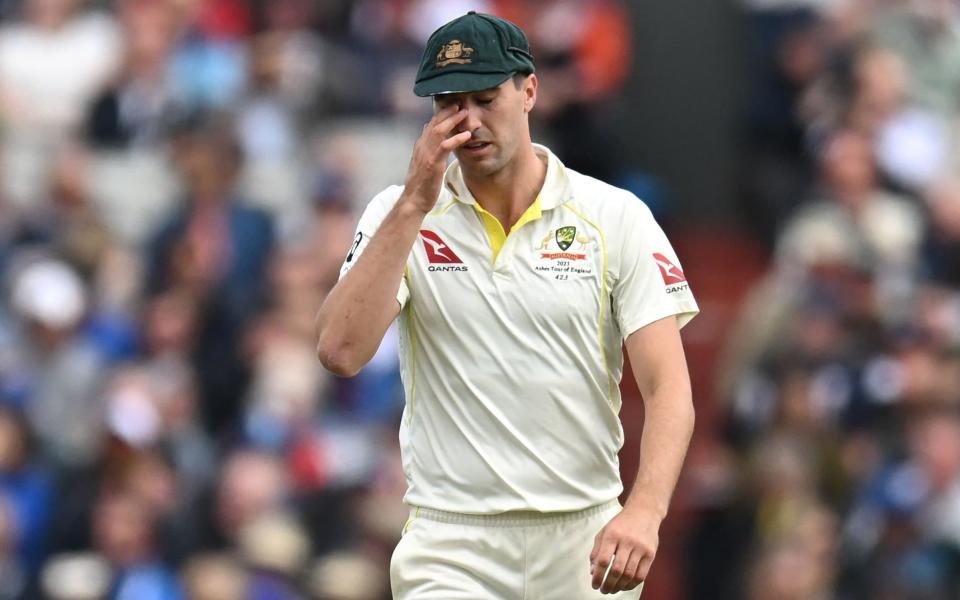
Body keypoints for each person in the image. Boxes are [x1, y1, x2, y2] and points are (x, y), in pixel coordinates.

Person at [315, 11, 698, 598]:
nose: (468, 122)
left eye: (486, 98)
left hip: (583, 537)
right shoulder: (399, 214)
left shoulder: (613, 215)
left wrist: (644, 512)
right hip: (451, 543)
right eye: (449, 104)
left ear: (529, 91)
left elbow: (668, 386)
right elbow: (339, 351)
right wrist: (414, 204)